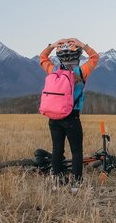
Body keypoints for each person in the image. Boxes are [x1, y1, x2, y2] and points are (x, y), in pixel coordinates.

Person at [39, 38, 99, 193]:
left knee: (57, 150)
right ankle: (75, 185)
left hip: (53, 118)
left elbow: (42, 58)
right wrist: (83, 44)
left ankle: (56, 183)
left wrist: (51, 46)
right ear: (77, 56)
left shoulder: (53, 71)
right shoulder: (81, 72)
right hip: (72, 117)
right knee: (76, 151)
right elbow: (95, 57)